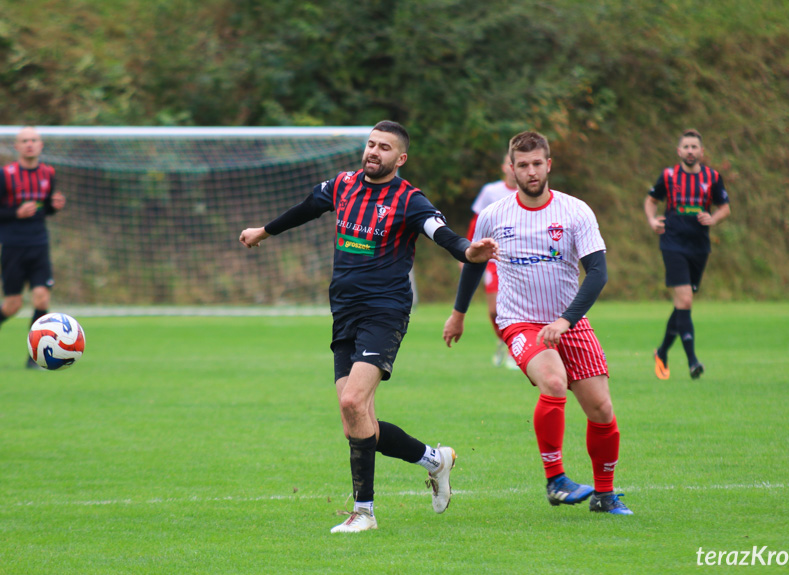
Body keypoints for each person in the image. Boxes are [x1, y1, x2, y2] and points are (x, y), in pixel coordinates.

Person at [239, 120, 499, 533]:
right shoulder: (342, 185)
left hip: (385, 311)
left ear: (401, 158)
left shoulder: (410, 200)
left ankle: (364, 513)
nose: (374, 152)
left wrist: (468, 250)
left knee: (351, 404)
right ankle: (436, 459)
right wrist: (263, 232)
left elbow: (441, 233)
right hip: (344, 311)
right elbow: (307, 207)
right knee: (357, 424)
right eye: (371, 144)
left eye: (384, 147)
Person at [443, 130, 632, 515]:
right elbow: (473, 265)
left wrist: (565, 321)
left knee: (602, 410)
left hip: (570, 321)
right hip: (520, 322)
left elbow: (597, 273)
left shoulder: (576, 211)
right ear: (511, 170)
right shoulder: (494, 216)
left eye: (537, 163)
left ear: (549, 165)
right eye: (522, 165)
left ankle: (604, 495)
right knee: (554, 382)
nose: (530, 171)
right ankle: (556, 481)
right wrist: (459, 314)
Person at [643, 129, 730, 380]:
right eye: (686, 147)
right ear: (679, 151)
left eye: (695, 147)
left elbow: (725, 208)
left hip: (699, 246)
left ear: (702, 152)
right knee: (686, 302)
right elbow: (651, 200)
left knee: (682, 304)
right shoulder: (669, 176)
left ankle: (661, 352)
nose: (690, 151)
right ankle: (692, 361)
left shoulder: (712, 177)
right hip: (672, 243)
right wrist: (651, 220)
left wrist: (712, 218)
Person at [0, 126, 66, 368]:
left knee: (41, 299)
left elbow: (46, 208)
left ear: (41, 145)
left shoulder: (48, 173)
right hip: (13, 246)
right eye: (24, 140)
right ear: (16, 147)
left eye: (34, 140)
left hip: (39, 244)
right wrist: (15, 213)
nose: (29, 144)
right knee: (12, 305)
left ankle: (34, 357)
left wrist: (54, 206)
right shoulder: (5, 175)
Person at [466, 153, 519, 369]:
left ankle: (514, 351)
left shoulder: (529, 193)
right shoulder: (491, 191)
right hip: (492, 259)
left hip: (518, 259)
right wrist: (468, 250)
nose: (513, 168)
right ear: (504, 167)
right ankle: (503, 338)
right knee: (494, 311)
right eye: (510, 163)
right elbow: (476, 222)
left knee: (515, 308)